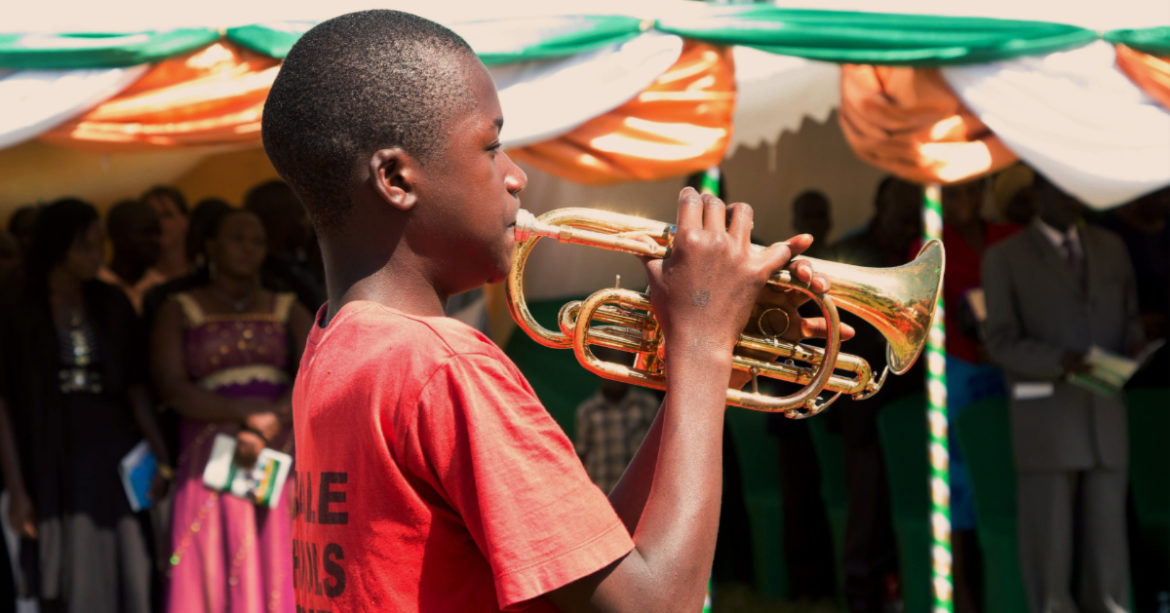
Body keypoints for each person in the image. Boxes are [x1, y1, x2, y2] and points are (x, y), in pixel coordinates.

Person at [260, 10, 838, 612]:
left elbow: (587, 571)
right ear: (396, 178)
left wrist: (712, 377)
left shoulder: (334, 346)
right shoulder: (445, 367)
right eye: (492, 146)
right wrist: (702, 343)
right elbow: (658, 605)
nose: (516, 176)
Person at [982, 174, 1146, 613]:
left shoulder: (1111, 247)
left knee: (1110, 551)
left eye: (1077, 187)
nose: (1071, 197)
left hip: (1105, 412)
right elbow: (999, 340)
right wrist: (1058, 360)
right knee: (1049, 551)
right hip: (1048, 417)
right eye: (1060, 188)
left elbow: (1129, 316)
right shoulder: (1005, 258)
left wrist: (1134, 343)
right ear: (1036, 193)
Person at [0, 197, 168, 613]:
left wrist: (161, 457)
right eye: (86, 246)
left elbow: (135, 387)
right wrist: (17, 490)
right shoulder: (16, 307)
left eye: (100, 244)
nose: (98, 255)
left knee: (131, 560)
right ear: (58, 247)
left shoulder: (111, 302)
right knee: (70, 568)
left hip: (114, 448)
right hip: (49, 450)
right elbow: (2, 401)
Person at [150, 207, 311, 612]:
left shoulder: (287, 305)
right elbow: (171, 387)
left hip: (276, 444)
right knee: (213, 553)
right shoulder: (178, 307)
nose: (249, 248)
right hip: (211, 448)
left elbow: (317, 370)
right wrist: (246, 418)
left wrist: (269, 422)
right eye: (237, 238)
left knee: (273, 552)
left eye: (257, 241)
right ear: (210, 247)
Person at [912, 178, 1019, 613]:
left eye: (973, 191)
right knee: (959, 491)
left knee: (1002, 482)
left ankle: (1008, 589)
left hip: (1009, 371)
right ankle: (965, 599)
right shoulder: (929, 246)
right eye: (954, 194)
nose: (965, 201)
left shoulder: (1007, 237)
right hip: (956, 372)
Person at [828, 175, 925, 613]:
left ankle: (902, 589)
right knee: (867, 508)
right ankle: (863, 597)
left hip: (908, 400)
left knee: (904, 501)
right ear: (880, 205)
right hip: (865, 404)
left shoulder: (917, 252)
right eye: (903, 214)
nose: (909, 223)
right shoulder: (854, 252)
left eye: (914, 215)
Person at [573, 347, 660, 494]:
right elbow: (582, 459)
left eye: (620, 367)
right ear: (598, 369)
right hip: (602, 498)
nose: (615, 376)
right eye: (609, 368)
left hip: (638, 497)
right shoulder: (587, 412)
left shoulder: (646, 405)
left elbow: (657, 454)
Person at [243, 179, 326, 313]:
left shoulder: (302, 263)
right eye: (300, 215)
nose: (307, 224)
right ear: (279, 221)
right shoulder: (263, 275)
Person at [100, 198, 165, 313]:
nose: (156, 241)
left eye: (157, 233)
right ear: (118, 235)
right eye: (146, 233)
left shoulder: (162, 288)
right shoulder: (95, 288)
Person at [141, 185, 191, 281]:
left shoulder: (208, 275)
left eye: (167, 215)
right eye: (151, 216)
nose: (159, 222)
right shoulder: (140, 286)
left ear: (186, 221)